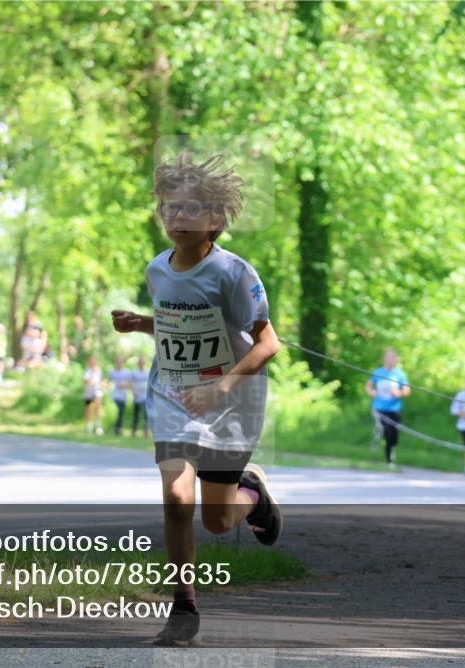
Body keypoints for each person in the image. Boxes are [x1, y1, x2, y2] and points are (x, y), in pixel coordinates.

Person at [111, 151, 282, 647]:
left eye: (189, 209)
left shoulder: (234, 273)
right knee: (176, 497)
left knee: (215, 519)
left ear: (216, 220)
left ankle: (253, 496)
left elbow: (267, 342)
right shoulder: (156, 271)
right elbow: (178, 324)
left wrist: (222, 387)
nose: (177, 218)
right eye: (169, 208)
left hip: (230, 403)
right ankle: (183, 608)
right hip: (172, 394)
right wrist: (143, 323)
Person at [365, 348, 411, 466]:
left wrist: (399, 393)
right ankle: (388, 460)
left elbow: (407, 390)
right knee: (387, 431)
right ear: (384, 359)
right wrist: (373, 392)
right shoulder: (378, 372)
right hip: (379, 409)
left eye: (392, 357)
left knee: (394, 436)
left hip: (394, 409)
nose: (390, 360)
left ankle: (391, 449)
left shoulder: (399, 374)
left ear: (396, 359)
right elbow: (368, 386)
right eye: (387, 357)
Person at [109, 355, 132, 436]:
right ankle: (118, 428)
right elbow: (109, 382)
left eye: (120, 362)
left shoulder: (126, 372)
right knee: (119, 410)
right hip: (115, 394)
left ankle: (118, 428)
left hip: (123, 395)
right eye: (117, 362)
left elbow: (130, 385)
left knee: (121, 412)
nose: (119, 363)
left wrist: (124, 385)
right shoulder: (112, 372)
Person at [83, 355, 105, 435]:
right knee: (88, 409)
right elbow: (86, 381)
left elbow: (102, 380)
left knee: (98, 408)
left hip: (97, 392)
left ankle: (98, 426)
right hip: (89, 392)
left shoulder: (99, 370)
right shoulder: (87, 371)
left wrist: (102, 385)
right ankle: (89, 426)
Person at [131, 356, 150, 438]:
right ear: (138, 364)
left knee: (146, 414)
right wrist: (133, 393)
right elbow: (131, 384)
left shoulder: (148, 372)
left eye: (143, 362)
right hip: (137, 396)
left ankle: (145, 430)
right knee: (136, 414)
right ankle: (134, 430)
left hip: (145, 396)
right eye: (140, 362)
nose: (142, 364)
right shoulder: (134, 373)